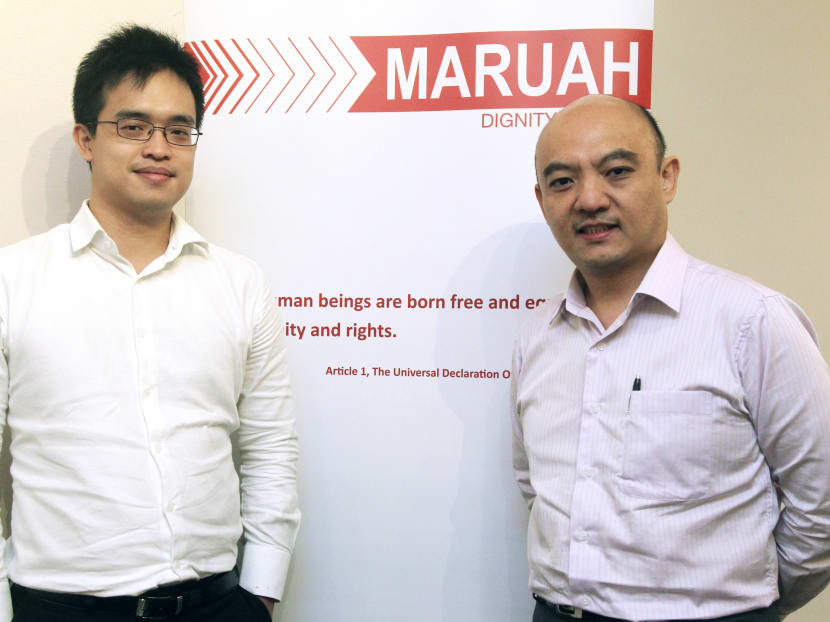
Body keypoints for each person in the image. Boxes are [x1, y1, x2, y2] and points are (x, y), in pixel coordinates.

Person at [0, 26, 300, 622]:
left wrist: (261, 593)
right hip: (60, 610)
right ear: (87, 139)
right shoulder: (14, 280)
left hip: (216, 604)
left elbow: (269, 446)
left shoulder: (238, 282)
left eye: (178, 130)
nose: (159, 147)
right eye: (133, 127)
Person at [511, 94, 830, 622]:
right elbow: (534, 486)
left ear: (667, 178)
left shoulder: (752, 320)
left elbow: (821, 505)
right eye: (563, 181)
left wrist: (745, 605)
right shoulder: (537, 338)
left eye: (616, 171)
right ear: (542, 199)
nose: (589, 199)